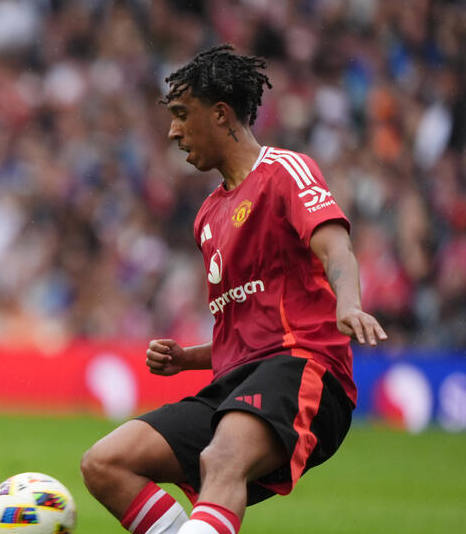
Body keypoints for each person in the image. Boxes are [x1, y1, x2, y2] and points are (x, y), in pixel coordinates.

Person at [80, 45, 387, 534]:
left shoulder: (284, 171)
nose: (172, 131)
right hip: (238, 384)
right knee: (106, 463)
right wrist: (188, 359)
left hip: (303, 367)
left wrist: (348, 302)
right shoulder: (208, 216)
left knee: (222, 459)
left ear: (221, 115)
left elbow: (335, 247)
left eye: (182, 115)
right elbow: (244, 328)